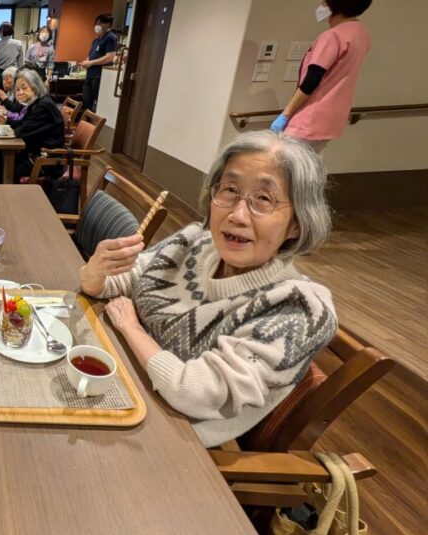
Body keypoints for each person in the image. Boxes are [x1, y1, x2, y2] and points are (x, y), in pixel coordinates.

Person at [79, 131, 336, 447]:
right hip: (120, 381)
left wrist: (132, 328)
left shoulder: (298, 308)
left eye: (264, 199)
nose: (237, 215)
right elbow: (120, 281)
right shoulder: (196, 242)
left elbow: (193, 391)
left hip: (167, 440)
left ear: (297, 222)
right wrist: (95, 272)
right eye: (230, 190)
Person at [271, 0, 374, 154]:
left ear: (338, 3)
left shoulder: (332, 36)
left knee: (290, 169)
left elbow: (313, 79)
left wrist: (285, 115)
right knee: (309, 168)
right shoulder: (361, 33)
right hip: (331, 120)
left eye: (325, 2)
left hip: (309, 118)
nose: (321, 7)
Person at [0, 68, 64, 179]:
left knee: (4, 165)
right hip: (35, 151)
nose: (20, 92)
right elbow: (24, 123)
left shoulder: (43, 106)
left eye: (24, 88)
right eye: (17, 89)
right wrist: (6, 121)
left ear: (35, 86)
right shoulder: (35, 102)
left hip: (45, 160)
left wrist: (12, 127)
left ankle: (6, 193)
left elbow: (21, 131)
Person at [79, 13, 117, 111]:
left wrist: (91, 63)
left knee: (99, 102)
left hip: (99, 75)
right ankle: (86, 123)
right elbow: (91, 55)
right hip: (90, 74)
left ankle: (95, 124)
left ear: (108, 24)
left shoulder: (110, 38)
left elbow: (110, 57)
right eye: (96, 24)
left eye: (100, 24)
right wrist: (86, 61)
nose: (97, 26)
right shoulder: (96, 40)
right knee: (87, 101)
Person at [0, 21, 24, 86]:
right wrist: (20, 74)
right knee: (13, 92)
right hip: (13, 72)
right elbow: (20, 62)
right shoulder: (18, 43)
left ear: (1, 32)